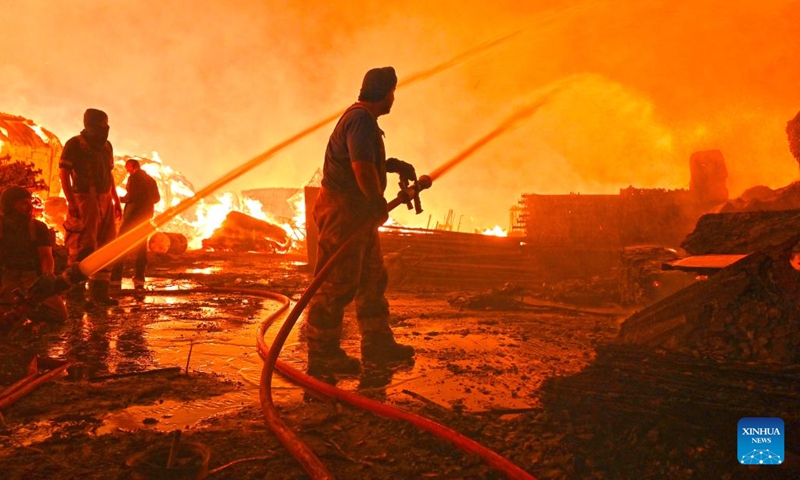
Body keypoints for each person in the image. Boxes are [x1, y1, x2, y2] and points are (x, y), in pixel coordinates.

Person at [305, 66, 418, 376]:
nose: (394, 98)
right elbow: (362, 168)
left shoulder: (363, 120)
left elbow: (367, 160)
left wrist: (392, 164)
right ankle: (323, 354)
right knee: (336, 283)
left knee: (371, 279)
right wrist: (375, 202)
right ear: (385, 93)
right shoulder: (361, 121)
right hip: (345, 212)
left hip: (356, 213)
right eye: (393, 92)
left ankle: (377, 344)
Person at [59, 108, 122, 306]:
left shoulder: (106, 146)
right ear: (91, 124)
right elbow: (64, 174)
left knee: (106, 245)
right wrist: (71, 201)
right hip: (85, 199)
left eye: (107, 123)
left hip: (105, 199)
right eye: (102, 124)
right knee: (82, 247)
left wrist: (116, 200)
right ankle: (76, 295)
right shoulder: (75, 144)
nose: (105, 127)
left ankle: (99, 294)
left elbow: (109, 175)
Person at [0, 186, 68, 327]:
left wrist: (47, 277)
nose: (29, 206)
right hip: (7, 278)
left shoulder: (38, 227)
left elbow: (46, 256)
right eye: (23, 203)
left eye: (29, 201)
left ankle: (27, 314)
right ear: (10, 206)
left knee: (59, 314)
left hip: (32, 279)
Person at [110, 159, 160, 292]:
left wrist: (120, 199)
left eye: (127, 169)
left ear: (132, 167)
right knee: (141, 246)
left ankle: (115, 277)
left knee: (121, 244)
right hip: (145, 218)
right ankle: (139, 276)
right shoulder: (151, 180)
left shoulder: (134, 178)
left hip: (132, 217)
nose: (127, 171)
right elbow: (157, 198)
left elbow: (131, 196)